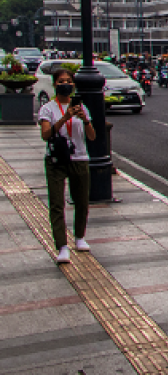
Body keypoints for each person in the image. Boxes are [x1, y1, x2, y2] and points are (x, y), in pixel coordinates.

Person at [38, 67, 97, 264]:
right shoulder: (48, 108)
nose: (66, 84)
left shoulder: (82, 107)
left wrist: (85, 119)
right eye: (61, 81)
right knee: (57, 203)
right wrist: (65, 117)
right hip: (57, 160)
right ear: (54, 84)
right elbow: (46, 135)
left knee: (82, 201)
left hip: (79, 158)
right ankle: (62, 246)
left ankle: (79, 237)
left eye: (69, 81)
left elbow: (92, 137)